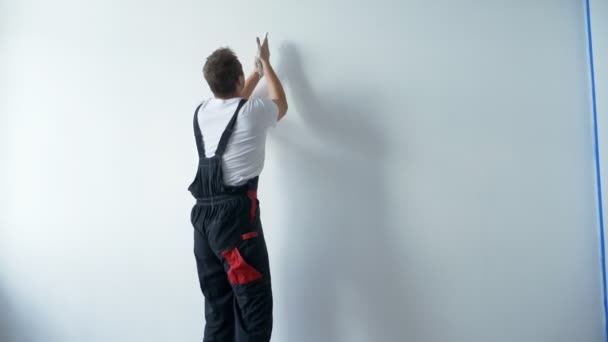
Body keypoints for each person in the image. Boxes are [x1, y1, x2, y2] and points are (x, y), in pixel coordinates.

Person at [188, 34, 287, 342]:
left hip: (203, 225)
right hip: (235, 226)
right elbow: (280, 105)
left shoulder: (202, 112)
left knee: (217, 312)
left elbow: (233, 102)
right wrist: (267, 64)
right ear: (238, 78)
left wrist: (253, 71)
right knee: (253, 312)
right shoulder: (252, 112)